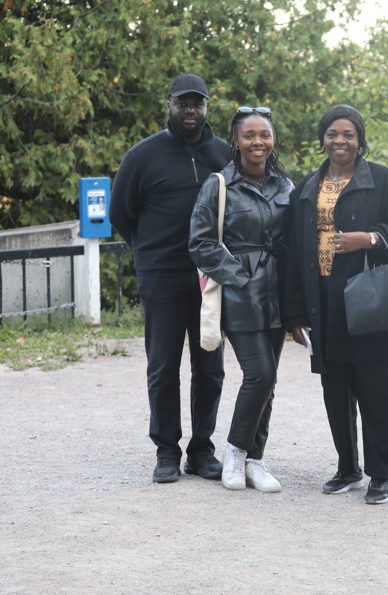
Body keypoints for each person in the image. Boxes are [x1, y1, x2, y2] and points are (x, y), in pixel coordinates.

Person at [285, 104, 388, 505]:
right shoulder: (306, 188)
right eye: (332, 134)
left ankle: (381, 475)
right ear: (322, 139)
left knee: (376, 390)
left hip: (370, 301)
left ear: (360, 140)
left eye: (348, 134)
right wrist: (294, 313)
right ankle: (348, 468)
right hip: (323, 303)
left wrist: (369, 239)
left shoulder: (385, 181)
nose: (340, 141)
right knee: (335, 390)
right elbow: (293, 252)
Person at [110, 74, 230, 484]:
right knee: (163, 366)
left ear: (206, 107)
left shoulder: (223, 154)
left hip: (209, 277)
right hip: (161, 276)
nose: (190, 110)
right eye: (183, 103)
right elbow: (121, 214)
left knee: (210, 366)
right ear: (169, 105)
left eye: (197, 103)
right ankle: (166, 450)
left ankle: (201, 449)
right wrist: (149, 252)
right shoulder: (142, 156)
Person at [188, 106, 294, 493]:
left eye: (264, 135)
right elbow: (200, 243)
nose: (257, 142)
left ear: (273, 139)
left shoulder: (285, 186)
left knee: (270, 380)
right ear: (236, 140)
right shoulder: (218, 184)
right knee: (259, 373)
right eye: (249, 135)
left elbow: (294, 240)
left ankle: (255, 460)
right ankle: (234, 452)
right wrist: (239, 278)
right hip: (241, 293)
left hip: (278, 292)